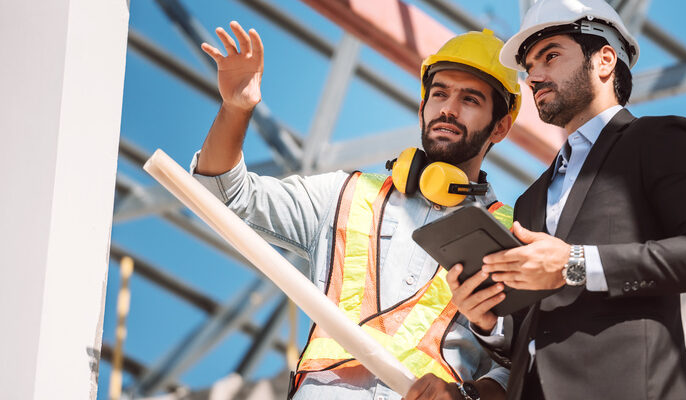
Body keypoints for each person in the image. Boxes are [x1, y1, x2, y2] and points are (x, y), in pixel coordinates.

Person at [192, 22, 522, 400]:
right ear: (422, 107)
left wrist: (469, 396)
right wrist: (236, 109)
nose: (447, 109)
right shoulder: (345, 193)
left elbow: (522, 368)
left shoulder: (511, 234)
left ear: (500, 127)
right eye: (439, 93)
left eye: (470, 100)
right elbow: (223, 197)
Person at [447, 1, 686, 399]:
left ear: (604, 60)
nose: (534, 76)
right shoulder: (531, 198)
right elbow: (530, 339)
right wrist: (488, 322)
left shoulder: (659, 139)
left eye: (550, 56)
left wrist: (574, 264)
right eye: (529, 66)